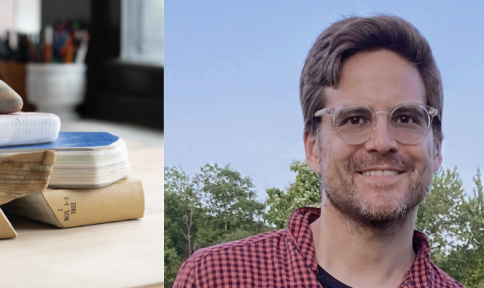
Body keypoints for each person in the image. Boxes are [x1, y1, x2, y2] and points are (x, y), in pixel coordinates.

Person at [173, 15, 464, 288]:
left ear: (436, 148)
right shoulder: (215, 278)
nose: (382, 141)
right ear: (313, 148)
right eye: (354, 119)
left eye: (406, 118)